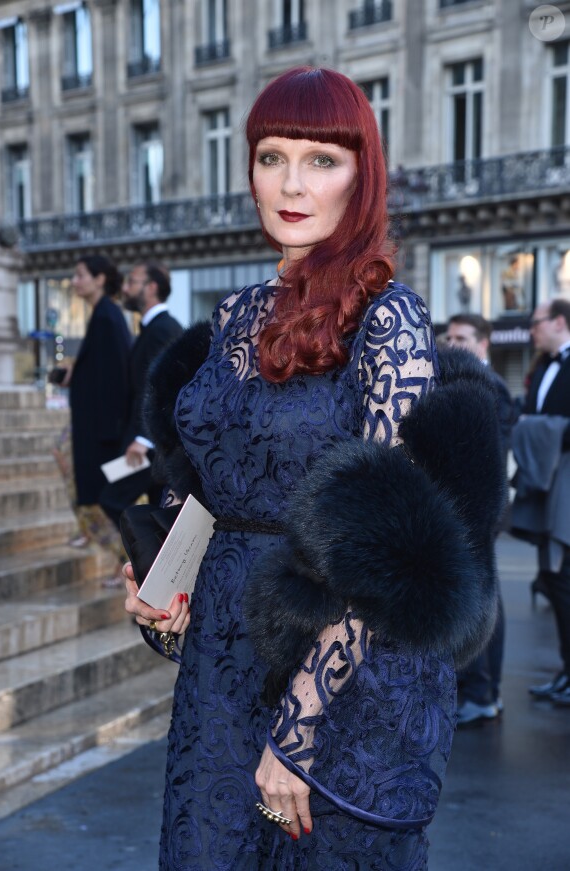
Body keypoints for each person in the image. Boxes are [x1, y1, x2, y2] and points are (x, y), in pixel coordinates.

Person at [123, 67, 504, 869]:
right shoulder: (232, 315)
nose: (291, 183)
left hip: (340, 682)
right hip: (221, 668)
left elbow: (388, 546)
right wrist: (168, 591)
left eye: (322, 159)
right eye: (271, 157)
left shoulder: (387, 317)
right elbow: (216, 485)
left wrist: (298, 726)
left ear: (362, 173)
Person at [446, 314, 515, 726]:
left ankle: (482, 693)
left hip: (479, 509)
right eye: (449, 336)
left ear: (484, 343)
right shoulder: (465, 380)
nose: (453, 342)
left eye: (463, 337)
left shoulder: (493, 388)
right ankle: (484, 692)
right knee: (483, 598)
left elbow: (492, 460)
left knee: (483, 600)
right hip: (467, 507)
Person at [511, 298, 570, 707]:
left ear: (560, 322)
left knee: (562, 579)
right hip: (550, 485)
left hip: (566, 486)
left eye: (537, 322)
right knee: (554, 579)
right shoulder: (543, 367)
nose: (532, 330)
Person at [99, 262, 183, 539]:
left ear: (151, 288)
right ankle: (149, 568)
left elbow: (163, 387)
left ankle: (145, 564)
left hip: (147, 444)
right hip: (143, 441)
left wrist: (144, 439)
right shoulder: (152, 329)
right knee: (153, 506)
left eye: (131, 282)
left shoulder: (162, 329)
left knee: (112, 498)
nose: (124, 288)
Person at [61, 255, 133, 582]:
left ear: (99, 278)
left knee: (103, 500)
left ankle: (128, 564)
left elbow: (117, 377)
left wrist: (111, 434)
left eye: (80, 275)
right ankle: (124, 563)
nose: (74, 281)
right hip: (100, 430)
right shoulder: (104, 315)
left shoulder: (106, 316)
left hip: (103, 434)